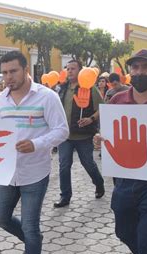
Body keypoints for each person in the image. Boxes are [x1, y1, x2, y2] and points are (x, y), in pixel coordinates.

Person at [0, 51, 68, 254]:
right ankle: (33, 241)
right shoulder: (0, 99)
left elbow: (62, 130)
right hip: (5, 171)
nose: (8, 77)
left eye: (13, 71)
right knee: (0, 217)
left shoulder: (47, 97)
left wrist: (36, 143)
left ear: (26, 70)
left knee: (30, 224)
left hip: (35, 173)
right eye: (5, 72)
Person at [95, 49, 147, 254]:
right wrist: (100, 140)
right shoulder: (118, 100)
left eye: (146, 68)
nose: (140, 72)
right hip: (125, 180)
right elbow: (108, 133)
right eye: (135, 68)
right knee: (124, 231)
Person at [54, 59, 105, 208]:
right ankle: (65, 196)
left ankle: (99, 183)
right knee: (64, 165)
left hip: (83, 136)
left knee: (87, 163)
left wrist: (91, 119)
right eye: (67, 68)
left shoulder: (90, 89)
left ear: (80, 70)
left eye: (73, 68)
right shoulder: (62, 89)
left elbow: (102, 108)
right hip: (65, 136)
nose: (69, 71)